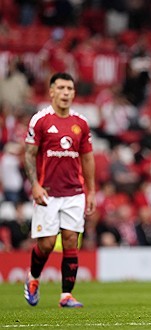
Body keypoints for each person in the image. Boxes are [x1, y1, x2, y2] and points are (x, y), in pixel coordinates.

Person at [23, 72, 96, 308]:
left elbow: (87, 159)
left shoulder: (81, 123)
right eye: (61, 88)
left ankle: (66, 295)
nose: (66, 93)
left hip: (74, 192)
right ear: (51, 91)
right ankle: (33, 279)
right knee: (46, 244)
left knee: (70, 240)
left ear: (74, 93)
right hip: (48, 192)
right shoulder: (40, 120)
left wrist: (91, 191)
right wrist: (34, 184)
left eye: (70, 89)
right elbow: (29, 154)